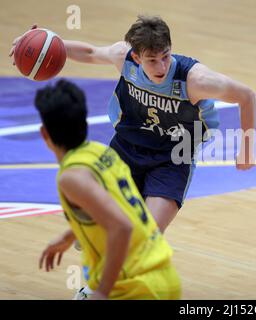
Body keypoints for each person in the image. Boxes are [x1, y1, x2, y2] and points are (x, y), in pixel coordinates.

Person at [10, 15, 256, 233]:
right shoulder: (124, 58)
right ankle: (96, 279)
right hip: (126, 148)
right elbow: (90, 53)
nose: (161, 66)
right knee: (92, 221)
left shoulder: (196, 80)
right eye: (152, 60)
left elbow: (246, 96)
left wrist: (247, 148)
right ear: (136, 57)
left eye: (166, 56)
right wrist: (44, 44)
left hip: (172, 158)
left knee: (145, 236)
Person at [36, 79, 181, 300]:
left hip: (133, 287)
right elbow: (117, 210)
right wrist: (68, 236)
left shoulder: (71, 177)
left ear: (44, 134)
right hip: (163, 276)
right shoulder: (102, 153)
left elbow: (122, 226)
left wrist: (101, 292)